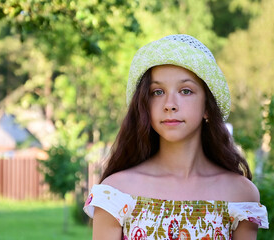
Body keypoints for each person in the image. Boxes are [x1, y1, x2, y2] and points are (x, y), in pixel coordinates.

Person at [83, 34, 269, 240]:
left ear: (207, 107)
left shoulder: (240, 196)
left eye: (186, 91)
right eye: (157, 92)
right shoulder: (116, 193)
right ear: (145, 104)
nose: (169, 104)